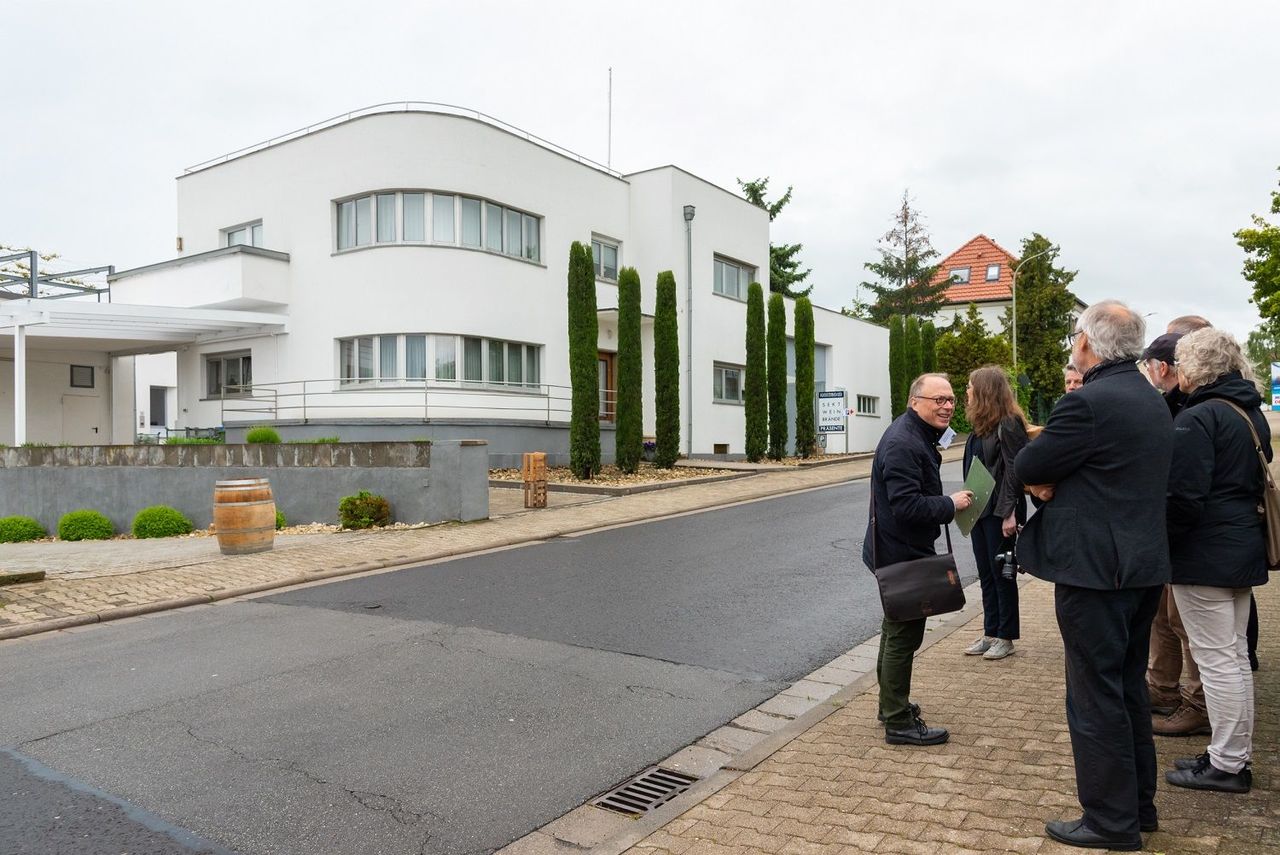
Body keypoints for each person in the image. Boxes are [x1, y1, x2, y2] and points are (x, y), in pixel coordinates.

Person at [1013, 300, 1172, 851]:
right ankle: (1138, 807)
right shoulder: (1152, 399)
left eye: (1076, 336)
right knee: (1128, 687)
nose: (1073, 344)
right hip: (1144, 567)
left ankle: (1109, 821)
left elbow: (1029, 466)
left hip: (1095, 573)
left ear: (1089, 343)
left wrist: (1045, 479)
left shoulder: (1087, 404)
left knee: (1093, 695)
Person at [1163, 328, 1269, 794]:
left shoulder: (1199, 416)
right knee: (1234, 659)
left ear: (1196, 367)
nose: (1177, 371)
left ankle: (1228, 764)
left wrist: (1160, 540)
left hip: (1203, 556)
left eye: (1181, 362)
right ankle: (1231, 753)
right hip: (1241, 547)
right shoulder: (1247, 411)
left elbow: (1182, 499)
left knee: (1217, 661)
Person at [863, 373, 974, 746]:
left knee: (896, 629)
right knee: (902, 635)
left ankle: (890, 705)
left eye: (950, 400)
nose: (946, 406)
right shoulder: (904, 443)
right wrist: (950, 504)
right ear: (915, 402)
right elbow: (907, 506)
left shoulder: (915, 434)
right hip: (900, 553)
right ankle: (897, 721)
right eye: (937, 400)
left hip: (898, 549)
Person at [1140, 332, 1211, 738]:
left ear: (1162, 368)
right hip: (1171, 535)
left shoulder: (1195, 412)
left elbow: (1185, 487)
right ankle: (1162, 689)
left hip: (1185, 538)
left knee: (1187, 626)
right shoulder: (1174, 406)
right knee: (1163, 617)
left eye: (1150, 367)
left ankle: (1198, 703)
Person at [961, 366, 1029, 661]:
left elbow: (1016, 471)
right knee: (986, 573)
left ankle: (1006, 636)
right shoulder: (980, 424)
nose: (967, 391)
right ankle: (990, 632)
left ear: (985, 390)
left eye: (970, 386)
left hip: (999, 512)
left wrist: (1010, 513)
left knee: (1003, 574)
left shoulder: (1009, 424)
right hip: (978, 510)